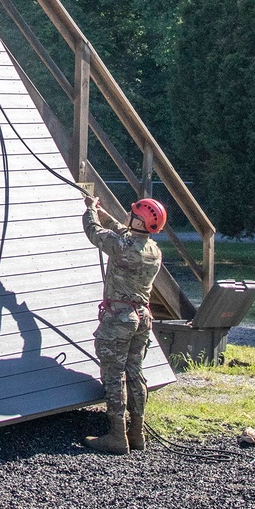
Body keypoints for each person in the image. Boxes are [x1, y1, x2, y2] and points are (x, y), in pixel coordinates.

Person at [82, 193, 166, 454]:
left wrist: (89, 210)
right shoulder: (152, 249)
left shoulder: (123, 246)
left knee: (114, 375)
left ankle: (117, 436)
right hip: (142, 317)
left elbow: (94, 232)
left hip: (119, 319)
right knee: (134, 372)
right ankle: (137, 433)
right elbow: (120, 229)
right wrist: (102, 209)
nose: (127, 216)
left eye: (133, 214)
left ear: (140, 223)